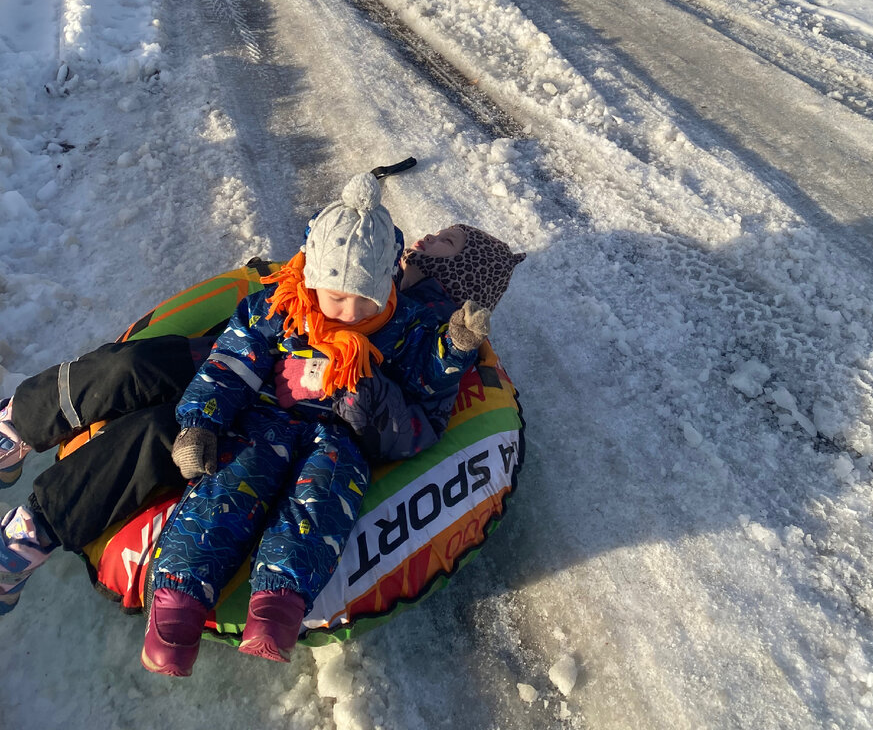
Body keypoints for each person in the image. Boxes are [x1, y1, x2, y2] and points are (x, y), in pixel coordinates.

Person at [0, 177, 524, 649]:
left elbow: (419, 395)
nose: (427, 239)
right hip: (243, 359)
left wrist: (350, 379)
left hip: (296, 414)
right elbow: (282, 290)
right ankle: (15, 424)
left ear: (458, 273)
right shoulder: (344, 261)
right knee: (133, 365)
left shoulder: (427, 320)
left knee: (158, 434)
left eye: (446, 241)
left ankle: (31, 535)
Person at [139, 173, 518, 676]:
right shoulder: (283, 309)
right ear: (312, 277)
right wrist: (200, 423)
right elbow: (229, 364)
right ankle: (176, 608)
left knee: (319, 505)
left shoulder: (402, 325)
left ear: (387, 284)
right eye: (333, 295)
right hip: (265, 421)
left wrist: (454, 348)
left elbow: (427, 381)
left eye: (362, 299)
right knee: (228, 487)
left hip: (340, 437)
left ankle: (276, 607)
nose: (345, 310)